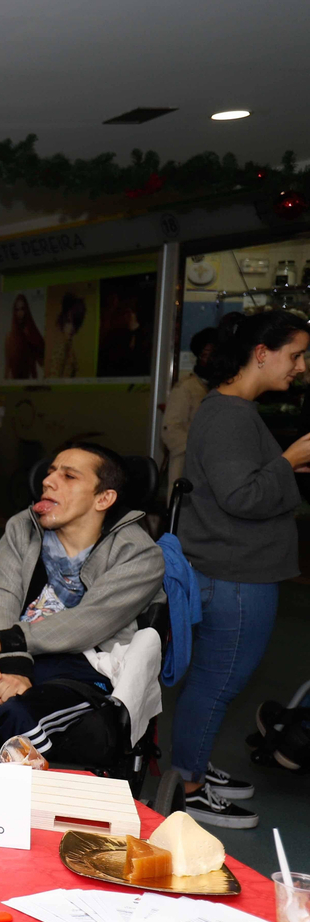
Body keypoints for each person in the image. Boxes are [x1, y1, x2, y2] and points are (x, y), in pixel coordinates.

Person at [170, 310, 310, 828]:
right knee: (219, 682)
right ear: (261, 352)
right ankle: (188, 788)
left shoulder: (230, 409)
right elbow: (241, 495)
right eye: (294, 354)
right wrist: (288, 459)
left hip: (233, 570)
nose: (299, 366)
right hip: (237, 577)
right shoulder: (230, 414)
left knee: (210, 679)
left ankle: (191, 765)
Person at [0, 444, 165, 763]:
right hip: (13, 655)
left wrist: (5, 640)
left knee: (19, 718)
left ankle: (23, 807)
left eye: (69, 476)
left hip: (83, 665)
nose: (49, 481)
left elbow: (90, 622)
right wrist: (13, 665)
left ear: (103, 498)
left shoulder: (139, 554)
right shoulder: (23, 527)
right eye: (50, 472)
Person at [160, 328, 218, 497]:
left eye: (213, 353)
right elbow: (170, 429)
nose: (209, 358)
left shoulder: (217, 387)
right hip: (186, 468)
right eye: (206, 353)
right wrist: (197, 449)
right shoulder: (186, 387)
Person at [5, 294, 45, 380]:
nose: (20, 313)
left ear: (26, 310)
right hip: (15, 383)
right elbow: (7, 367)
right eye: (17, 309)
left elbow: (42, 362)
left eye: (22, 309)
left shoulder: (31, 333)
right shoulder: (10, 337)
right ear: (14, 312)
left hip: (30, 382)